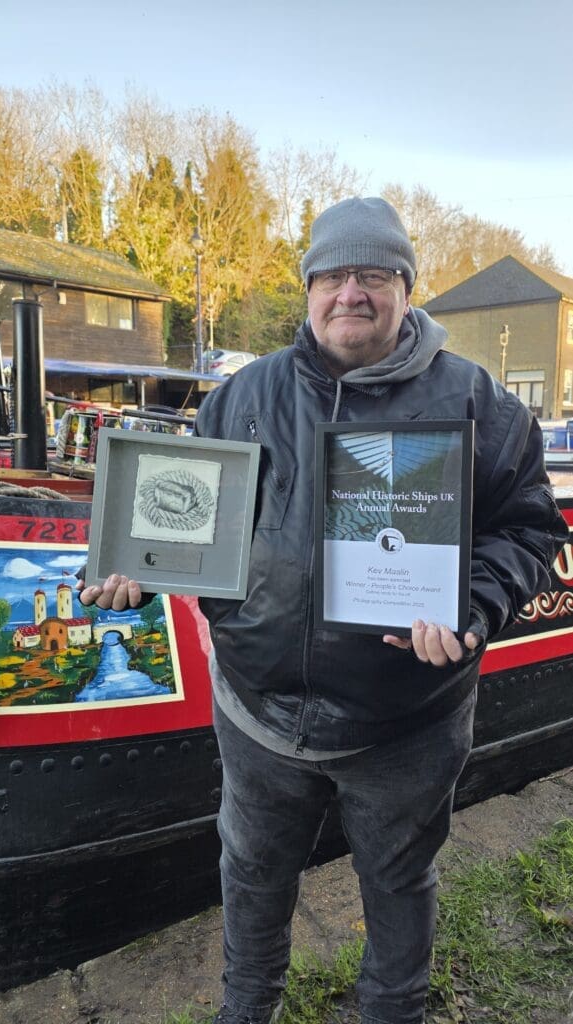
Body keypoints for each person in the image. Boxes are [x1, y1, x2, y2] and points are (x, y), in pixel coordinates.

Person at [80, 197, 568, 1024]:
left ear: (405, 290)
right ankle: (247, 1009)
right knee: (251, 875)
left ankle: (392, 1012)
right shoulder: (241, 396)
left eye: (372, 275)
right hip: (257, 712)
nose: (351, 292)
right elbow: (180, 516)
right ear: (308, 291)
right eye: (333, 275)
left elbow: (527, 527)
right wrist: (135, 565)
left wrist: (474, 608)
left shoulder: (480, 402)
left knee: (398, 884)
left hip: (405, 722)